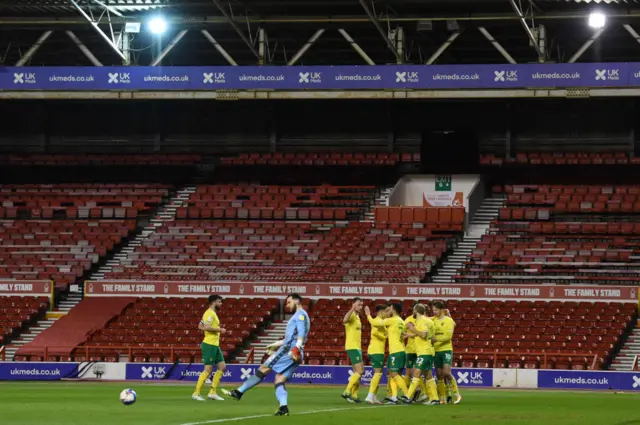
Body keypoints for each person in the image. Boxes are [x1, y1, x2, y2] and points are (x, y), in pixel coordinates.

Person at [223, 294, 310, 416]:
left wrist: (297, 347)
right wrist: (276, 343)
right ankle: (283, 407)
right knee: (279, 379)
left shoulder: (300, 315)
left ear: (296, 301)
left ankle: (239, 392)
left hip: (289, 351)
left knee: (264, 368)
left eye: (289, 302)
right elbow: (292, 337)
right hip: (295, 353)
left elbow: (301, 333)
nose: (287, 305)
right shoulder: (302, 315)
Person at [371, 302, 410, 404]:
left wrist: (367, 314)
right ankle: (394, 397)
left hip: (396, 351)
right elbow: (401, 335)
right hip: (401, 350)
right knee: (393, 375)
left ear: (394, 310)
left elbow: (375, 323)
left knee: (394, 374)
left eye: (390, 309)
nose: (388, 311)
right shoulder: (401, 321)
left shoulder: (393, 320)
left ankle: (407, 395)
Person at [192, 294, 227, 401]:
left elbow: (200, 326)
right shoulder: (209, 313)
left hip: (215, 345)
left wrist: (213, 330)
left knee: (222, 367)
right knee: (208, 369)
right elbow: (206, 327)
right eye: (219, 302)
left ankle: (212, 392)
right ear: (213, 302)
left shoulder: (211, 314)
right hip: (209, 344)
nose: (221, 304)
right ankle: (196, 393)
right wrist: (219, 330)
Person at [404, 303, 439, 405]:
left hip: (424, 352)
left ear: (415, 311)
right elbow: (429, 336)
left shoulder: (422, 320)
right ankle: (435, 398)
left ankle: (407, 396)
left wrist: (412, 328)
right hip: (426, 351)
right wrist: (411, 334)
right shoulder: (428, 320)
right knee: (428, 375)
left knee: (416, 372)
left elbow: (423, 335)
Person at [432, 301, 461, 405]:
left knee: (446, 373)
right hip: (436, 350)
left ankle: (457, 394)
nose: (434, 312)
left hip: (446, 349)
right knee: (439, 375)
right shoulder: (433, 320)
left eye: (436, 310)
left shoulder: (449, 321)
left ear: (441, 310)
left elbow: (449, 337)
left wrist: (436, 340)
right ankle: (443, 397)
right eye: (433, 310)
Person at [364, 304, 388, 404]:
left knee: (378, 374)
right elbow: (374, 333)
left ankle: (373, 397)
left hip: (378, 350)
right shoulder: (377, 321)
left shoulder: (380, 322)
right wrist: (385, 337)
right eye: (386, 312)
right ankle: (369, 396)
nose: (387, 314)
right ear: (381, 312)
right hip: (376, 351)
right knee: (378, 374)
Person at [342, 297, 364, 403]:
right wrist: (351, 309)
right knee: (360, 371)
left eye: (361, 305)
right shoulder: (351, 315)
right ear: (353, 304)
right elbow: (344, 320)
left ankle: (355, 396)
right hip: (352, 347)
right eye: (359, 304)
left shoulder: (358, 317)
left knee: (358, 372)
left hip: (357, 347)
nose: (361, 307)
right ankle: (347, 391)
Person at [403, 304, 418, 391]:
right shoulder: (408, 320)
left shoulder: (423, 320)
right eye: (414, 310)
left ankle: (420, 392)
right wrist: (403, 336)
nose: (415, 312)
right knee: (408, 373)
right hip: (410, 350)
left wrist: (411, 335)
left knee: (416, 373)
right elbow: (402, 332)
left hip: (420, 350)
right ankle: (407, 393)